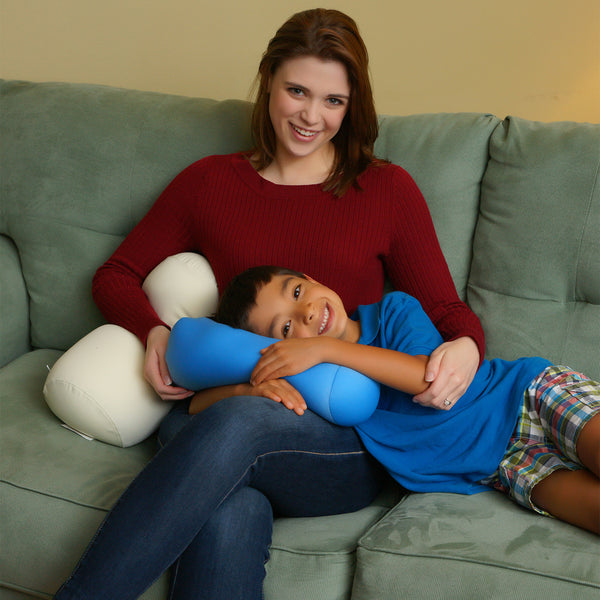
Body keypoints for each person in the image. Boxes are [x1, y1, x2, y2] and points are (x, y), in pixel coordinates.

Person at [55, 8, 486, 600]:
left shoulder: (386, 190)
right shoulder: (210, 183)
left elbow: (448, 311)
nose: (312, 116)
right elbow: (117, 274)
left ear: (352, 104)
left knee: (242, 429)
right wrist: (154, 333)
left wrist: (466, 347)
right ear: (268, 82)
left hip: (339, 437)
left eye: (333, 101)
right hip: (215, 407)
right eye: (298, 91)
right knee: (231, 506)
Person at [209, 265, 600, 534]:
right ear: (280, 349)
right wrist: (250, 386)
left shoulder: (393, 311)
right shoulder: (318, 388)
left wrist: (325, 350)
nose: (307, 311)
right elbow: (196, 406)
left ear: (311, 278)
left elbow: (424, 379)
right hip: (501, 465)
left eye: (297, 291)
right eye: (288, 326)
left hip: (525, 395)